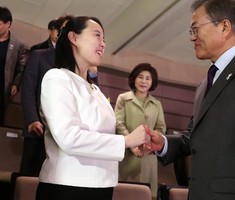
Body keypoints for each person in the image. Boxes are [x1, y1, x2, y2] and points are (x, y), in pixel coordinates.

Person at [145, 0, 235, 200]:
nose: (192, 37)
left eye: (196, 29)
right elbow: (193, 136)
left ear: (224, 27)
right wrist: (164, 144)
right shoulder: (205, 84)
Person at [36, 16, 150, 200]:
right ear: (74, 38)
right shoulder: (57, 77)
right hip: (67, 187)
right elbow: (69, 137)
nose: (103, 44)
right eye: (97, 35)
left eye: (104, 39)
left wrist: (134, 141)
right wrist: (126, 141)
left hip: (102, 185)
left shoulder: (95, 89)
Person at [19, 15, 73, 176]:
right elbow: (28, 89)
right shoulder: (39, 55)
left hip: (63, 136)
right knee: (29, 177)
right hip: (39, 130)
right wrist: (32, 119)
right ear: (57, 32)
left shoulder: (76, 63)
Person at [114, 63, 166, 199]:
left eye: (148, 78)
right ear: (134, 79)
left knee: (147, 195)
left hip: (148, 156)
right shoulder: (123, 99)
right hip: (127, 155)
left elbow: (161, 128)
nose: (144, 81)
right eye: (140, 77)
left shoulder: (157, 104)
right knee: (125, 194)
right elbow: (119, 123)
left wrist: (149, 146)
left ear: (152, 81)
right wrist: (131, 144)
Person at [0, 6, 29, 124]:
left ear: (8, 24)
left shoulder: (18, 45)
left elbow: (21, 67)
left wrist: (16, 84)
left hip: (2, 87)